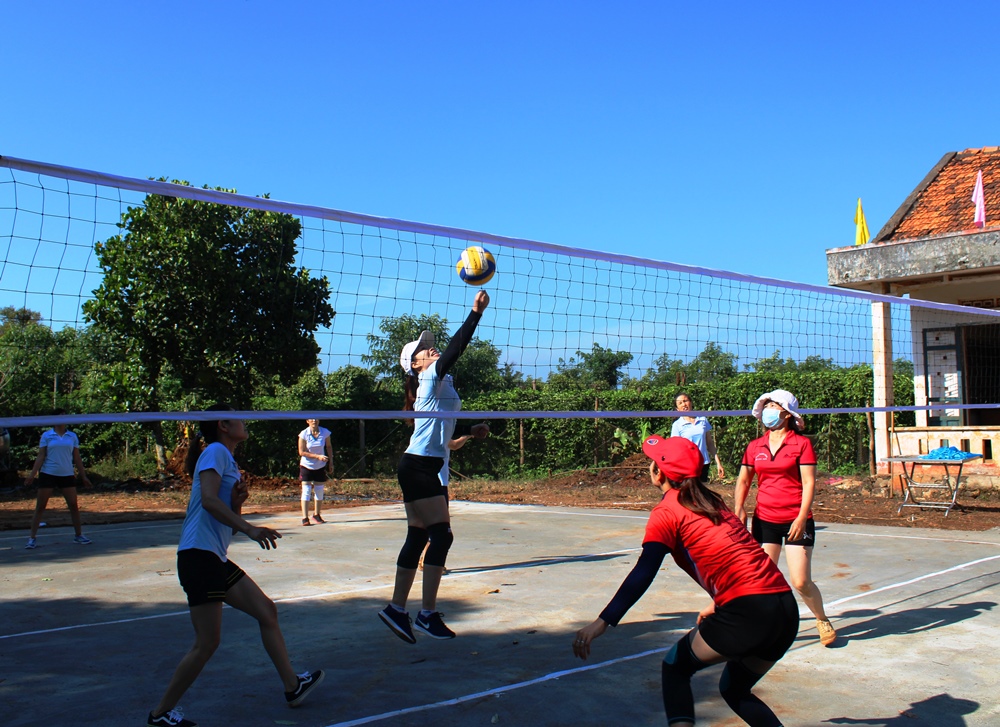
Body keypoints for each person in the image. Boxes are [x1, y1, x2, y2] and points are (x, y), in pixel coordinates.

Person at [573, 436, 797, 727]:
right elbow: (738, 557)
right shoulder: (713, 501)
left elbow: (644, 570)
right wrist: (719, 603)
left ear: (659, 473)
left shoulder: (667, 512)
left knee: (675, 667)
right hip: (784, 609)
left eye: (653, 462)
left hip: (748, 612)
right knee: (734, 689)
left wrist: (602, 622)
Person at [147, 404, 323, 727]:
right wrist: (251, 529)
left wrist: (237, 505)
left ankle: (292, 686)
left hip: (213, 556)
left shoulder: (226, 459)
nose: (244, 421)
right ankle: (160, 713)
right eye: (237, 417)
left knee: (266, 611)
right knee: (206, 643)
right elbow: (208, 501)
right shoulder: (215, 452)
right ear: (223, 425)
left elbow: (225, 523)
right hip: (198, 557)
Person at [378, 289, 489, 643]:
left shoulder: (441, 383)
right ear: (415, 365)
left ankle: (397, 609)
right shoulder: (429, 378)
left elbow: (444, 425)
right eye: (423, 349)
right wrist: (475, 312)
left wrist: (470, 429)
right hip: (418, 467)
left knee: (419, 535)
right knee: (442, 535)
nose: (431, 348)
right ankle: (425, 613)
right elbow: (457, 348)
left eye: (429, 345)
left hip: (425, 466)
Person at [734, 389, 837, 647]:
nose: (768, 410)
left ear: (787, 413)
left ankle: (822, 619)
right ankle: (766, 627)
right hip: (765, 519)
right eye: (766, 405)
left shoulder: (801, 444)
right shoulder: (755, 446)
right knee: (763, 579)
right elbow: (744, 479)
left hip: (795, 519)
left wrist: (801, 517)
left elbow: (809, 483)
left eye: (773, 405)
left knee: (800, 581)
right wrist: (739, 507)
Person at [417, 424, 490, 571]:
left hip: (427, 481)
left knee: (427, 524)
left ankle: (424, 558)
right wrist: (469, 433)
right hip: (438, 483)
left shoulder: (425, 433)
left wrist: (469, 433)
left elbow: (453, 444)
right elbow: (454, 445)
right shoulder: (438, 433)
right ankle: (428, 560)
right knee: (441, 526)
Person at [25, 409, 93, 549]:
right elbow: (41, 456)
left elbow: (77, 457)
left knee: (73, 505)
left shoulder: (72, 436)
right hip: (48, 474)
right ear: (54, 419)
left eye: (64, 416)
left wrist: (83, 475)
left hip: (67, 474)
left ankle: (78, 535)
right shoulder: (47, 435)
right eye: (60, 416)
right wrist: (32, 475)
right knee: (40, 506)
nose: (63, 418)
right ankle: (32, 538)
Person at [671, 392, 725, 483]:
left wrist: (718, 463)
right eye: (680, 403)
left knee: (702, 489)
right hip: (687, 465)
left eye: (685, 401)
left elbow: (710, 443)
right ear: (677, 409)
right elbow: (675, 448)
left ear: (691, 402)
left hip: (704, 463)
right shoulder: (677, 425)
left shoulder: (702, 419)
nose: (684, 404)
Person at [298, 418, 333, 526]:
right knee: (306, 490)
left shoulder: (324, 432)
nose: (314, 421)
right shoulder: (304, 434)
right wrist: (317, 456)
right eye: (311, 419)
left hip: (320, 466)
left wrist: (331, 462)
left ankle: (316, 514)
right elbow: (301, 452)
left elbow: (329, 446)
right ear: (307, 421)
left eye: (316, 419)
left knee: (319, 490)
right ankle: (305, 517)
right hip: (306, 465)